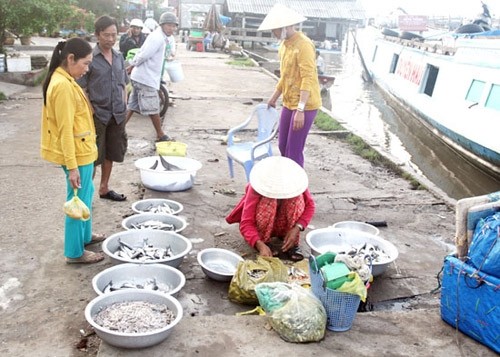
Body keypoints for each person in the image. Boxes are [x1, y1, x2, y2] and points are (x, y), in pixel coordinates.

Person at [40, 38, 105, 264]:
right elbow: (65, 131)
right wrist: (73, 167)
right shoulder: (62, 86)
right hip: (76, 155)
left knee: (84, 197)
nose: (86, 69)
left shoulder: (64, 79)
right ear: (70, 59)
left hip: (83, 152)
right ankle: (75, 252)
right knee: (76, 202)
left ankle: (85, 236)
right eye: (85, 64)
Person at [258, 4, 321, 168]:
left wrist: (300, 109)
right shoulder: (284, 45)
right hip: (288, 102)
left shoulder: (304, 45)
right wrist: (273, 98)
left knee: (294, 150)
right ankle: (287, 183)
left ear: (285, 27)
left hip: (305, 105)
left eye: (275, 30)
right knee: (282, 146)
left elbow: (308, 78)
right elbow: (285, 77)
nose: (274, 33)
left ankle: (298, 191)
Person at [226, 156, 315, 261]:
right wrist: (259, 244)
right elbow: (246, 223)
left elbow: (310, 206)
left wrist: (297, 228)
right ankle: (265, 241)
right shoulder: (257, 187)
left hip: (284, 225)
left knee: (297, 199)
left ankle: (290, 242)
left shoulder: (295, 183)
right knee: (269, 203)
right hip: (263, 227)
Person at [78, 15, 128, 202]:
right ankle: (85, 197)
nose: (111, 39)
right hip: (97, 115)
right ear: (97, 35)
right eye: (106, 35)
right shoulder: (90, 58)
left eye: (114, 35)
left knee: (111, 153)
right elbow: (82, 87)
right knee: (92, 157)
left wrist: (123, 103)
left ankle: (104, 188)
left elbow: (124, 83)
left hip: (117, 114)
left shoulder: (118, 57)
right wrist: (90, 109)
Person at [124, 11, 178, 142]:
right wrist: (132, 65)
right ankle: (160, 134)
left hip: (142, 77)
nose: (172, 28)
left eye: (174, 26)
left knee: (131, 106)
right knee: (153, 108)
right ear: (162, 25)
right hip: (145, 78)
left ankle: (117, 130)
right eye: (169, 25)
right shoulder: (157, 37)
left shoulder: (164, 37)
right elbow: (143, 54)